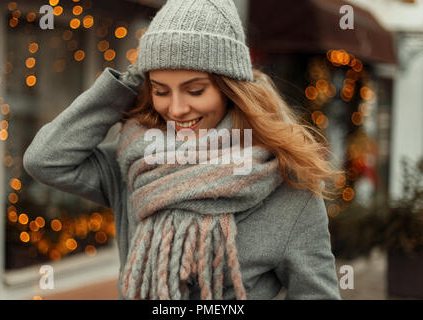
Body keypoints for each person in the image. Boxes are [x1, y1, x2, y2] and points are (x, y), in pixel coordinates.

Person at [23, 0, 343, 300]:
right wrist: (131, 78)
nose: (176, 109)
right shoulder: (137, 164)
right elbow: (46, 159)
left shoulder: (288, 185)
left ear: (230, 89)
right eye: (161, 90)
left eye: (195, 90)